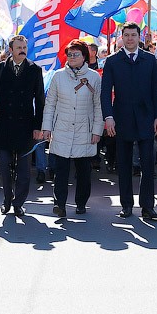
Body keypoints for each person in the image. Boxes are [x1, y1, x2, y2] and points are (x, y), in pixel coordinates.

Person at [101, 23, 157, 220]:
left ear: (139, 37)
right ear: (122, 37)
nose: (130, 38)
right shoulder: (112, 61)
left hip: (146, 118)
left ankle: (147, 207)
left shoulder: (150, 60)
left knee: (148, 164)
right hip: (122, 118)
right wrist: (108, 117)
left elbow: (156, 91)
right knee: (124, 164)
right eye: (126, 35)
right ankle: (126, 205)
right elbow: (105, 92)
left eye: (133, 35)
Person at [0, 35, 45, 217]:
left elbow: (40, 100)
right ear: (10, 50)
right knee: (4, 166)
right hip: (4, 125)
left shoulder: (34, 69)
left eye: (24, 47)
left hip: (26, 125)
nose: (22, 50)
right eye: (18, 47)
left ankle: (19, 203)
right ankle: (7, 199)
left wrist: (38, 126)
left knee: (24, 169)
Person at [42, 39, 103, 217]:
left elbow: (98, 106)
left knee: (83, 171)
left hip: (85, 129)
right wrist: (47, 127)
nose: (72, 57)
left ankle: (81, 203)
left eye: (76, 54)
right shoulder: (58, 76)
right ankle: (59, 204)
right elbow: (50, 104)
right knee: (60, 170)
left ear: (84, 56)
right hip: (62, 128)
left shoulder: (94, 77)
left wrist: (97, 130)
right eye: (69, 54)